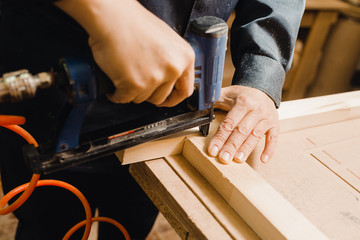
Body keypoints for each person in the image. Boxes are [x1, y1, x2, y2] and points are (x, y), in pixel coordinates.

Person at [0, 0, 305, 239]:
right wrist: (107, 9)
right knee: (48, 224)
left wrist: (261, 74)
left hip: (165, 127)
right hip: (53, 104)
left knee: (133, 221)